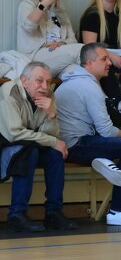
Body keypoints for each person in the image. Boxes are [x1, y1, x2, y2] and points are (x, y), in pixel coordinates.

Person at [56, 43, 121, 227]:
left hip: (70, 143)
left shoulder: (73, 81)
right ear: (89, 63)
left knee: (118, 142)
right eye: (104, 59)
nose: (109, 63)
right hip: (77, 145)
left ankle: (101, 158)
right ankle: (119, 211)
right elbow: (106, 130)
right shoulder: (89, 87)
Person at [0, 62, 77, 232]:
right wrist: (53, 142)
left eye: (48, 82)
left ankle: (53, 212)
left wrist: (51, 115)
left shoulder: (48, 96)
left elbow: (52, 135)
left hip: (30, 144)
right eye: (39, 80)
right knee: (30, 152)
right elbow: (14, 134)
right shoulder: (9, 92)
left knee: (55, 156)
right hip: (5, 145)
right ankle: (16, 215)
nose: (45, 86)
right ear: (24, 81)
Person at [17, 0, 82, 77]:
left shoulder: (60, 11)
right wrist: (44, 4)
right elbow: (29, 27)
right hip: (36, 56)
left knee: (79, 74)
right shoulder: (27, 5)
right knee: (83, 50)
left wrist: (62, 43)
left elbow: (73, 39)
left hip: (60, 53)